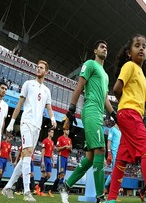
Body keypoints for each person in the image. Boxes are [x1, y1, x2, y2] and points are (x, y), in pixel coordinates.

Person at [106, 34, 146, 203]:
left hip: (132, 115)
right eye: (137, 45)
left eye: (144, 46)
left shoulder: (141, 74)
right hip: (129, 115)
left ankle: (111, 199)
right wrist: (125, 104)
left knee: (122, 158)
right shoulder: (130, 66)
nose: (141, 48)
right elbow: (117, 88)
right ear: (128, 52)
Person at [59, 40, 116, 203]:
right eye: (102, 47)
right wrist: (71, 110)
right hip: (90, 111)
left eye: (106, 47)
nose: (105, 49)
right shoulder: (90, 64)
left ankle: (65, 186)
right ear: (95, 50)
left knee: (91, 157)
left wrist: (114, 114)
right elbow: (79, 86)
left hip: (99, 115)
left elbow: (105, 99)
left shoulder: (105, 75)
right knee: (101, 151)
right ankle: (100, 197)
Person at [2, 60, 57, 202]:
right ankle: (27, 192)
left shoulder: (47, 90)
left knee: (25, 157)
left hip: (37, 126)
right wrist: (12, 122)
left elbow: (49, 107)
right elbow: (20, 104)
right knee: (26, 153)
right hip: (26, 122)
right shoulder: (27, 84)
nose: (38, 69)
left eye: (41, 68)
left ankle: (8, 187)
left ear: (46, 72)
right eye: (37, 67)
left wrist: (52, 118)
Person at [51, 129, 72, 194]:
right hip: (61, 157)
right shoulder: (60, 138)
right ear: (64, 131)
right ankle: (60, 188)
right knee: (61, 173)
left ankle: (52, 189)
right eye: (67, 130)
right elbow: (57, 148)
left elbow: (71, 150)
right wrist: (65, 147)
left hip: (66, 158)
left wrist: (69, 148)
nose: (68, 131)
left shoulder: (69, 140)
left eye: (68, 130)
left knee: (61, 175)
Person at [36, 128, 55, 197]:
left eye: (53, 132)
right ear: (48, 133)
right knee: (43, 175)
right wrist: (43, 161)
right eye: (51, 132)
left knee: (49, 175)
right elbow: (43, 151)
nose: (52, 134)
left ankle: (38, 186)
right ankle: (41, 191)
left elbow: (52, 152)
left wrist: (53, 161)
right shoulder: (45, 141)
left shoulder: (52, 142)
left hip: (49, 159)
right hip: (45, 158)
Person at [104, 119, 121, 194]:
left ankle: (112, 191)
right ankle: (105, 187)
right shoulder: (112, 129)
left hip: (120, 154)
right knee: (115, 172)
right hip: (114, 153)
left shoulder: (120, 131)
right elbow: (109, 141)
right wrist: (109, 153)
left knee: (117, 173)